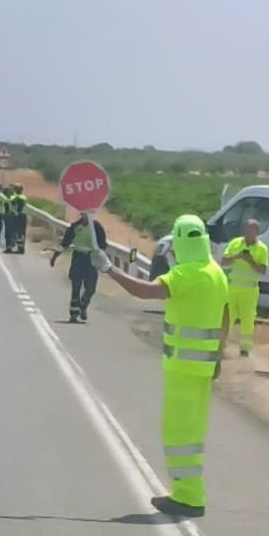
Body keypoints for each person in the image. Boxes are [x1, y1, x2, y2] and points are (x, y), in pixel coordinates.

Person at [98, 214, 230, 518]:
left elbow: (146, 291)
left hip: (183, 368)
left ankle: (188, 498)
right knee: (193, 436)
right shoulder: (216, 272)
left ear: (181, 241)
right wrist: (219, 356)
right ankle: (190, 493)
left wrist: (110, 270)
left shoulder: (186, 273)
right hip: (204, 368)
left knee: (179, 436)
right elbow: (225, 317)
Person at [222, 219, 269, 357]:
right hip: (232, 287)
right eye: (247, 230)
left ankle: (245, 348)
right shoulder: (235, 243)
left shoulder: (262, 248)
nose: (249, 233)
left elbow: (262, 270)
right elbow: (223, 261)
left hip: (249, 289)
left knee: (247, 318)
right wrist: (237, 256)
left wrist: (250, 261)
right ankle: (222, 345)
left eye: (252, 231)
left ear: (257, 233)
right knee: (227, 317)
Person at [60, 212, 108, 323]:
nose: (87, 217)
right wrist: (56, 255)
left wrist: (102, 258)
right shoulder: (75, 227)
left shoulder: (96, 227)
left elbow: (103, 245)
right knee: (76, 286)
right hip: (78, 257)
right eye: (85, 214)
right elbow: (65, 242)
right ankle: (73, 314)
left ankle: (83, 305)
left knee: (91, 288)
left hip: (91, 259)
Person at [6, 184, 29, 253]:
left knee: (14, 231)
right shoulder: (24, 197)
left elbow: (16, 206)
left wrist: (16, 212)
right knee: (21, 232)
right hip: (23, 216)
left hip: (17, 215)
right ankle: (21, 247)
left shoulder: (14, 197)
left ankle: (14, 247)